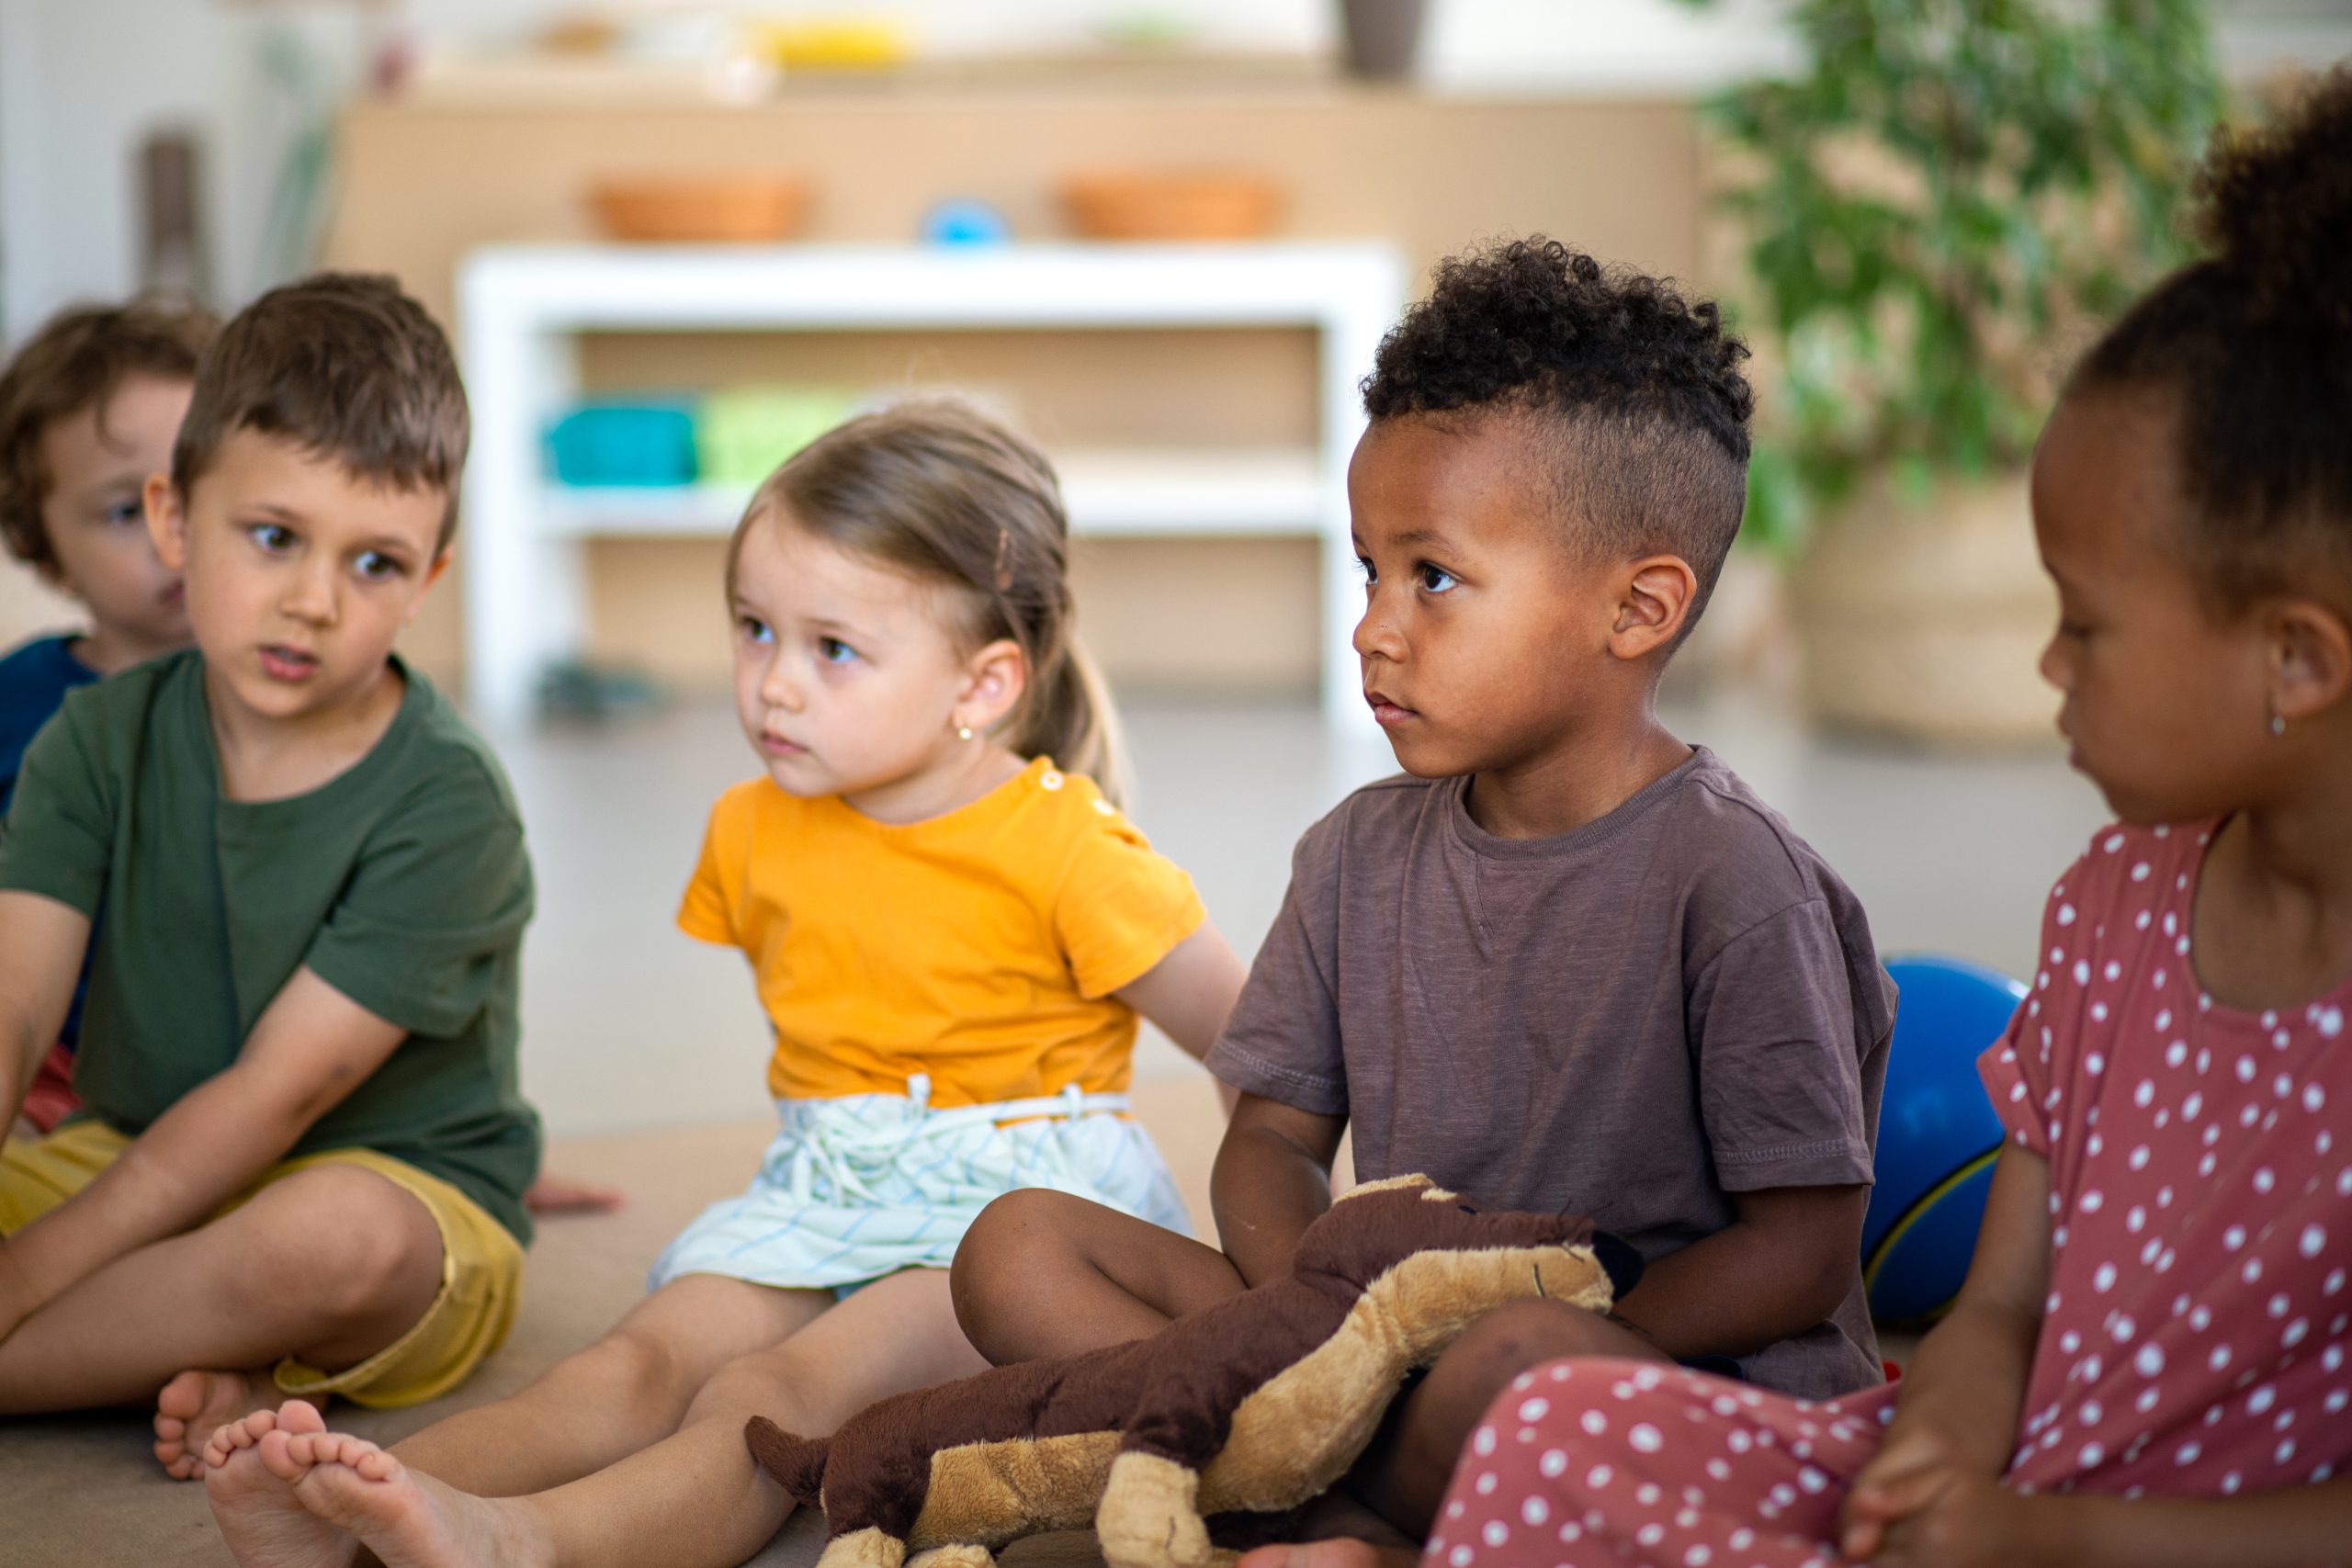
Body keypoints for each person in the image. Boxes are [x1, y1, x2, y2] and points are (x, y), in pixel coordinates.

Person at [1416, 72, 2352, 1568]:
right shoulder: (2114, 908)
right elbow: (2001, 1308)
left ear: (2295, 658)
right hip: (2014, 1496)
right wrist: (1929, 1462)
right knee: (1546, 1420)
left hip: (2156, 1542)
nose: (2049, 663)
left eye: (2088, 627)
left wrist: (2058, 1540)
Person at [950, 236, 1898, 1559]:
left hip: (1658, 1381)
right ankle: (1340, 1506)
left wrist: (1528, 1344)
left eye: (1433, 576)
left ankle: (1328, 1504)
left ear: (1637, 608)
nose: (1373, 627)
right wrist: (1325, 1324)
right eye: (1369, 570)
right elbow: (1272, 1142)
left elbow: (1798, 1250)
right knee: (1018, 1245)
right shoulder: (1353, 853)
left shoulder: (1738, 883)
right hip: (1382, 1344)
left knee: (1504, 1364)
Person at [200, 399, 1250, 1568]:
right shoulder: (752, 828)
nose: (774, 685)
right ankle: (355, 1512)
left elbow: (1257, 1049)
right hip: (821, 1187)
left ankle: (524, 1546)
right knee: (626, 1364)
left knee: (776, 1388)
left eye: (831, 648)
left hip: (1007, 1215)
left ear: (985, 684)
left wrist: (1267, 1272)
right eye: (753, 628)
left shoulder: (1071, 852)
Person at [0, 274, 542, 1480]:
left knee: (328, 1243)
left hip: (387, 1183)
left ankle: (62, 1348)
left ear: (429, 578)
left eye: (375, 562)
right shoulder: (91, 740)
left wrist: (25, 1274)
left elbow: (270, 1101)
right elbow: (18, 1006)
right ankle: (182, 1345)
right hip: (126, 1145)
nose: (313, 599)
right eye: (273, 535)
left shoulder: (450, 802)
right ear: (175, 518)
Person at [0, 298, 621, 1213]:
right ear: (40, 530)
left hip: (318, 1065)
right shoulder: (53, 721)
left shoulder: (388, 754)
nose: (305, 594)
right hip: (92, 1070)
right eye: (125, 508)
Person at [0, 298, 218, 1137]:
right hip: (59, 1066)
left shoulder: (299, 694)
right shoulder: (20, 703)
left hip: (270, 1063)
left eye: (203, 492)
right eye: (128, 511)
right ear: (43, 545)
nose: (176, 537)